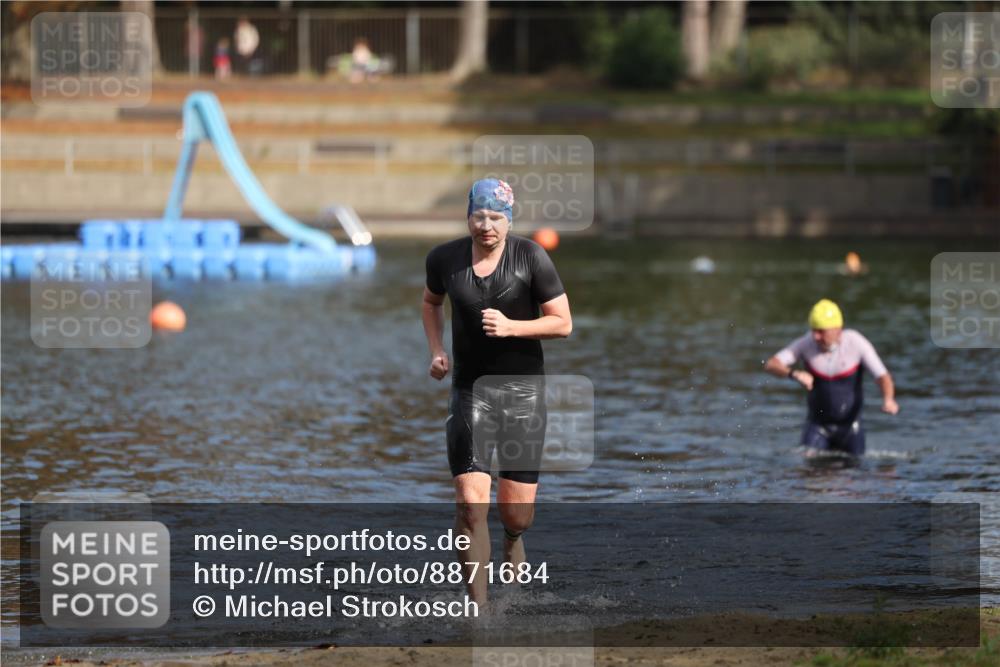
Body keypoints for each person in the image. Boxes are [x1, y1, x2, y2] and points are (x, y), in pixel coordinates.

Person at [422, 178, 572, 607]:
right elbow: (430, 303)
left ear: (508, 220)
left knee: (516, 513)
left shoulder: (532, 257)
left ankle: (512, 538)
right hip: (470, 392)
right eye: (478, 216)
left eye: (495, 218)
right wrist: (436, 351)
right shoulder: (444, 259)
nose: (486, 226)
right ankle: (479, 611)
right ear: (468, 216)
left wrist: (512, 327)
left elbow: (563, 322)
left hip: (524, 397)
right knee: (470, 504)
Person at [764, 299, 899, 457]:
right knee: (809, 475)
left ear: (838, 330)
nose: (815, 336)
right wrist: (794, 374)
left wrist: (888, 399)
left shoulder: (856, 343)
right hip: (817, 426)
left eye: (821, 331)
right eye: (814, 330)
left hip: (851, 428)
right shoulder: (806, 343)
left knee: (853, 475)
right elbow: (771, 364)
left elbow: (883, 376)